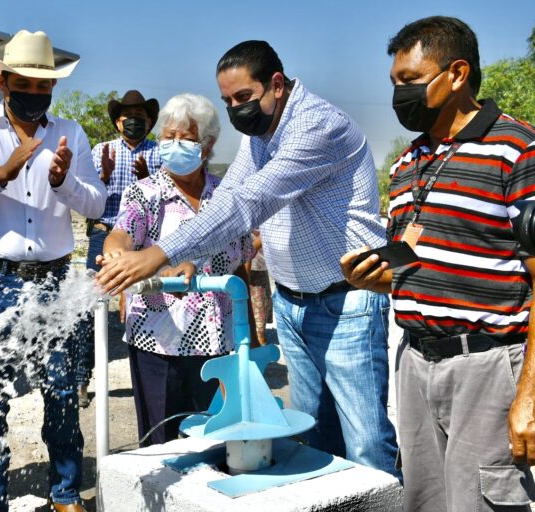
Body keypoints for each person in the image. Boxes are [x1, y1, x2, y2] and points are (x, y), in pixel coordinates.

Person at [97, 40, 400, 478]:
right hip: (294, 304)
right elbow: (233, 196)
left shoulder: (316, 126)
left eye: (243, 98)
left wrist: (161, 253)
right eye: (228, 101)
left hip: (345, 302)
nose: (238, 109)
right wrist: (176, 258)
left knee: (366, 443)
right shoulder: (261, 135)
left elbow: (247, 203)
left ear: (276, 84)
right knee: (315, 442)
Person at [341, 16, 535, 511]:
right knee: (424, 501)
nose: (399, 94)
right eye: (393, 84)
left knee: (482, 502)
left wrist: (530, 395)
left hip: (486, 367)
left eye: (410, 80)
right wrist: (375, 279)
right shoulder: (409, 164)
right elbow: (414, 265)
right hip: (415, 362)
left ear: (456, 74)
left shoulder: (516, 150)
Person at [0, 29, 106, 512]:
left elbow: (96, 200)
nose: (34, 94)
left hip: (52, 279)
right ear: (3, 82)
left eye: (43, 86)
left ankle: (65, 493)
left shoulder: (71, 132)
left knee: (61, 389)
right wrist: (0, 174)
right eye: (24, 84)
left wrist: (64, 181)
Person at [100, 93, 254, 445]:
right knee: (162, 444)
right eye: (167, 137)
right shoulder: (144, 193)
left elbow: (239, 265)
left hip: (218, 343)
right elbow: (120, 235)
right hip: (158, 341)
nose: (172, 145)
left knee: (215, 441)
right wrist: (117, 258)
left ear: (207, 144)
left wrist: (252, 341)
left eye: (184, 138)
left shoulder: (227, 197)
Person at [75, 90, 162, 408]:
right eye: (129, 117)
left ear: (149, 121)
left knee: (150, 307)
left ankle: (150, 380)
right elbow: (86, 194)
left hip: (145, 241)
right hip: (103, 234)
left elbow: (166, 194)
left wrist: (148, 179)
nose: (134, 122)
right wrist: (105, 176)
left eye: (141, 117)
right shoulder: (101, 151)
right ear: (117, 121)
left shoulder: (158, 153)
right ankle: (82, 379)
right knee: (88, 307)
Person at [247, 231, 273, 346]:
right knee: (258, 302)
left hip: (259, 264)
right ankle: (258, 334)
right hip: (248, 262)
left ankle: (260, 333)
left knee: (263, 301)